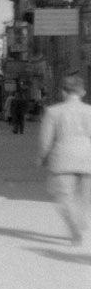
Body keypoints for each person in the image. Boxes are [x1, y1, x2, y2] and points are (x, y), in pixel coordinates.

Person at [38, 73, 91, 246]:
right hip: (87, 159)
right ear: (82, 92)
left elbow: (46, 139)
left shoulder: (53, 112)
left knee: (63, 197)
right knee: (85, 197)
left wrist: (43, 157)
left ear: (63, 92)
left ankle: (74, 228)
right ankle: (81, 219)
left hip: (62, 160)